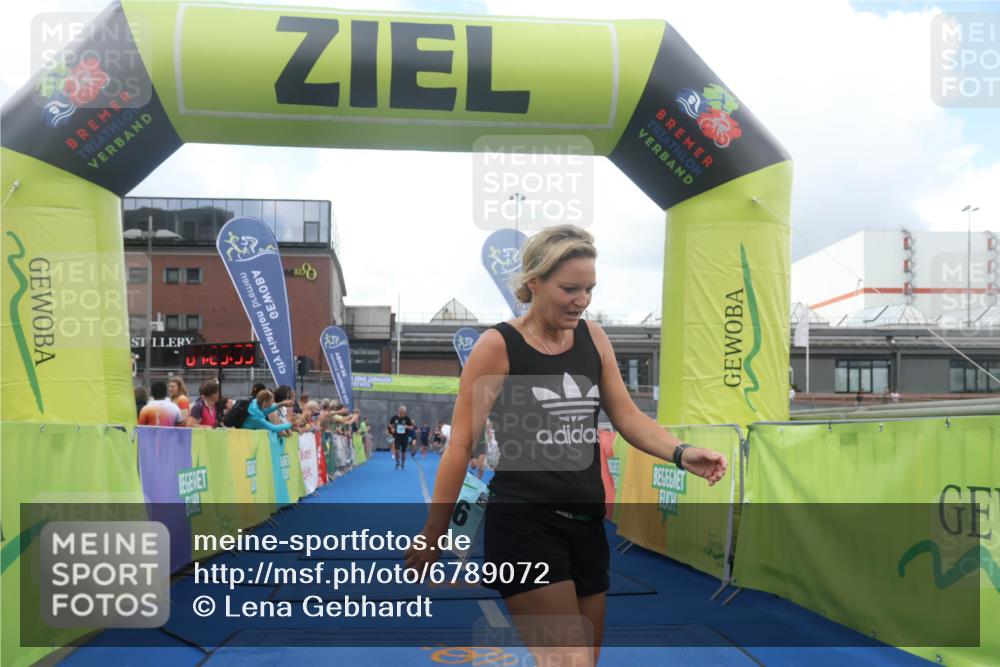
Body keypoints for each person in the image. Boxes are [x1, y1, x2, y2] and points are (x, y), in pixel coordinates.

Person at [404, 225, 727, 667]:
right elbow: (460, 445)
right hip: (524, 525)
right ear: (534, 282)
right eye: (570, 289)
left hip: (587, 526)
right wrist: (435, 532)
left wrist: (681, 452)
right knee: (568, 661)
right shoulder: (498, 346)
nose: (582, 300)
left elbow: (628, 416)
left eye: (589, 289)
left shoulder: (594, 338)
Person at [388, 405, 414, 469]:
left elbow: (411, 427)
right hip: (397, 436)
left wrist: (407, 426)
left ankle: (403, 463)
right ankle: (397, 462)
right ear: (399, 411)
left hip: (405, 436)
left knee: (403, 452)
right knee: (396, 450)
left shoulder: (407, 418)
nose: (401, 413)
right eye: (400, 411)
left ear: (405, 412)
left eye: (403, 412)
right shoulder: (394, 417)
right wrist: (392, 428)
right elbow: (390, 424)